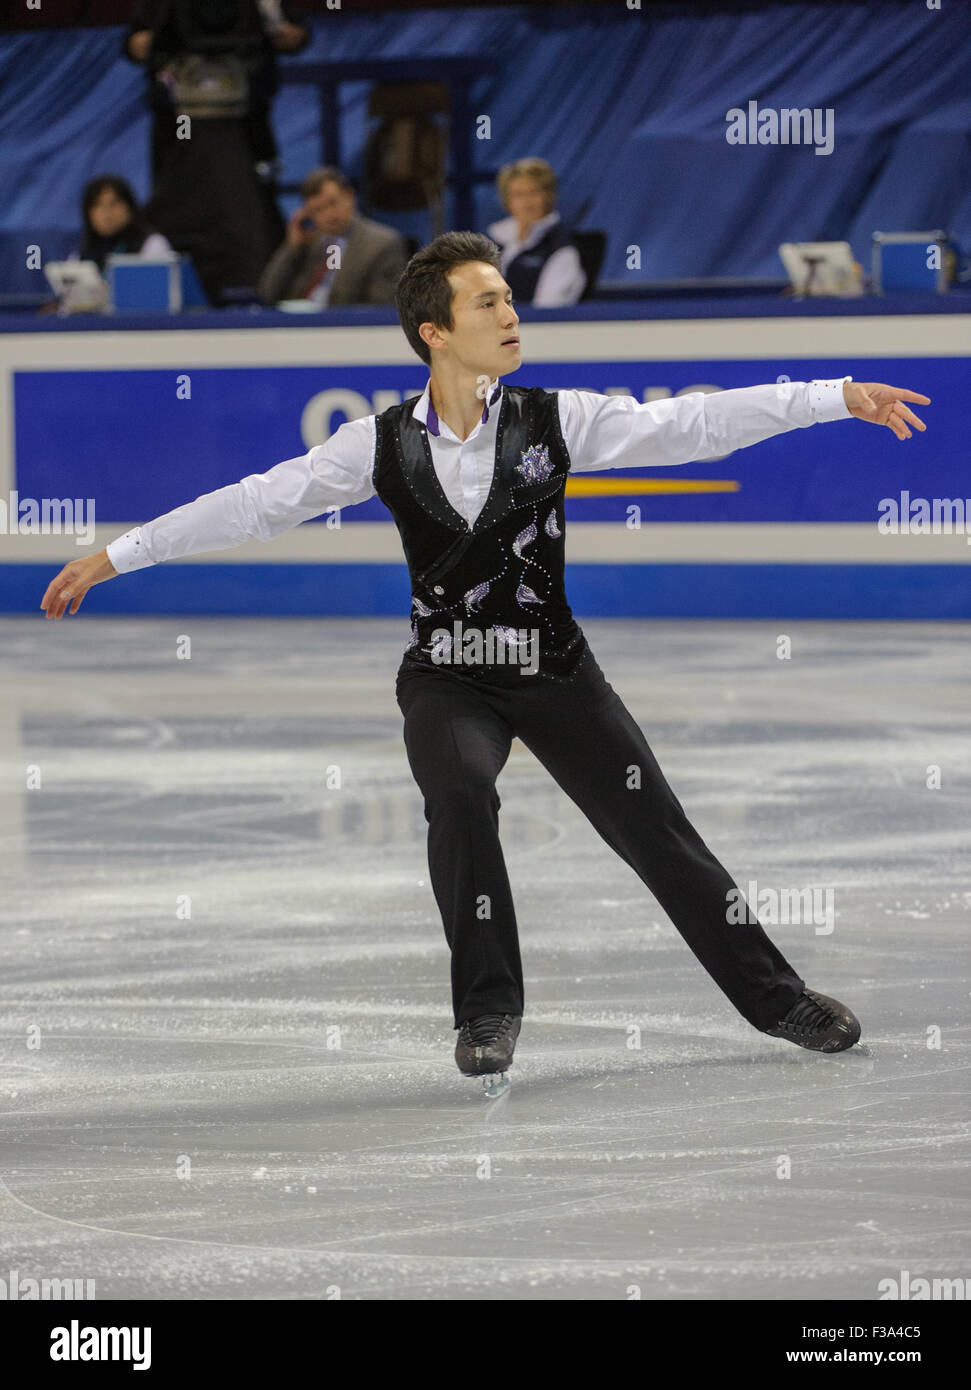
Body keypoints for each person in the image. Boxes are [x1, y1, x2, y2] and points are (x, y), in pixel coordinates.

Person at [41, 231, 931, 1089]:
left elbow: (691, 425)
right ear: (435, 331)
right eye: (488, 303)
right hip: (447, 674)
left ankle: (776, 1000)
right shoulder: (377, 443)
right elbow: (254, 505)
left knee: (656, 833)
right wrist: (118, 554)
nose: (510, 315)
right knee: (459, 796)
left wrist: (831, 394)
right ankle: (486, 1014)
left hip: (553, 669)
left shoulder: (556, 418)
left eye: (508, 298)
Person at [123, 0, 309, 303]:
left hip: (247, 121)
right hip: (178, 125)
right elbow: (134, 43)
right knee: (176, 204)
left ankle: (262, 291)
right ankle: (174, 290)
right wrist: (142, 44)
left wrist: (289, 35)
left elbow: (296, 33)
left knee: (254, 208)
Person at [257, 167, 408, 307]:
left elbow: (380, 307)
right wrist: (293, 246)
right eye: (318, 210)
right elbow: (268, 293)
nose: (329, 215)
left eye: (333, 203)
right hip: (298, 328)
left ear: (350, 196)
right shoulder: (308, 243)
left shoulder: (382, 244)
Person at [487, 157, 586, 306]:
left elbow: (547, 309)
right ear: (507, 200)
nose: (527, 202)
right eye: (518, 194)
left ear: (548, 196)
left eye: (533, 192)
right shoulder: (493, 242)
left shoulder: (561, 249)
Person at [76, 175, 173, 272]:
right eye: (97, 205)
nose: (106, 213)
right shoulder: (81, 254)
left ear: (129, 208)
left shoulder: (152, 244)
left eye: (113, 204)